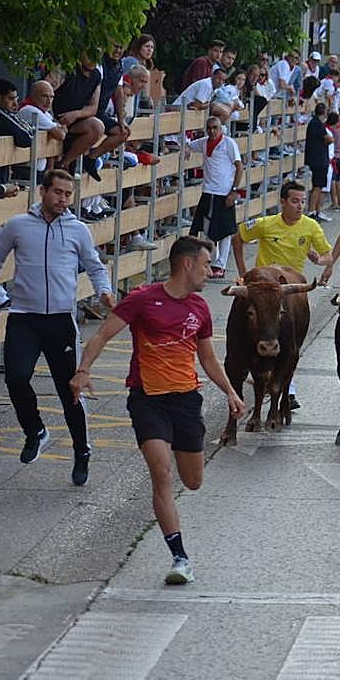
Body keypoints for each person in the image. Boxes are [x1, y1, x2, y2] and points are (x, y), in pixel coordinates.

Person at [71, 236, 245, 585]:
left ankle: (179, 549)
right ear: (187, 264)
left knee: (192, 481)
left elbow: (207, 357)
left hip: (185, 401)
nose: (210, 271)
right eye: (206, 264)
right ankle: (180, 558)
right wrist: (83, 370)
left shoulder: (200, 308)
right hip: (147, 399)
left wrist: (230, 392)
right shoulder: (142, 299)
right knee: (161, 472)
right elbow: (102, 335)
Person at [0, 169, 115, 486]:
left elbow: (95, 265)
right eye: (58, 192)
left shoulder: (78, 229)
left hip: (60, 320)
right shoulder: (18, 225)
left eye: (68, 194)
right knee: (15, 377)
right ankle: (35, 430)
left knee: (70, 391)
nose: (63, 199)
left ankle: (82, 451)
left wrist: (104, 291)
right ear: (43, 191)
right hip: (25, 316)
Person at [232, 181, 333, 410]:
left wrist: (320, 260)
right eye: (295, 201)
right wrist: (243, 273)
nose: (300, 206)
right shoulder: (266, 224)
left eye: (303, 201)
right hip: (262, 291)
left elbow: (328, 255)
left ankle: (288, 389)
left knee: (290, 341)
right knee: (247, 330)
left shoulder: (311, 226)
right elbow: (238, 237)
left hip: (290, 292)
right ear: (283, 202)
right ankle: (246, 370)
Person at [186, 116, 244, 280]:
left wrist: (234, 190)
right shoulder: (204, 142)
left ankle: (220, 265)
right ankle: (210, 262)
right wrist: (187, 149)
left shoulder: (228, 143)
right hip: (208, 191)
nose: (212, 131)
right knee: (207, 228)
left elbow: (239, 167)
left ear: (220, 128)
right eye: (209, 128)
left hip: (224, 192)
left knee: (225, 230)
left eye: (215, 128)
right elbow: (189, 144)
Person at [304, 102, 334, 221]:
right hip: (319, 160)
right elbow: (329, 139)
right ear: (324, 112)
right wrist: (328, 141)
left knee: (319, 186)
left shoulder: (314, 123)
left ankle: (316, 210)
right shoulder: (317, 124)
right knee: (317, 186)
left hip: (317, 159)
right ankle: (312, 211)